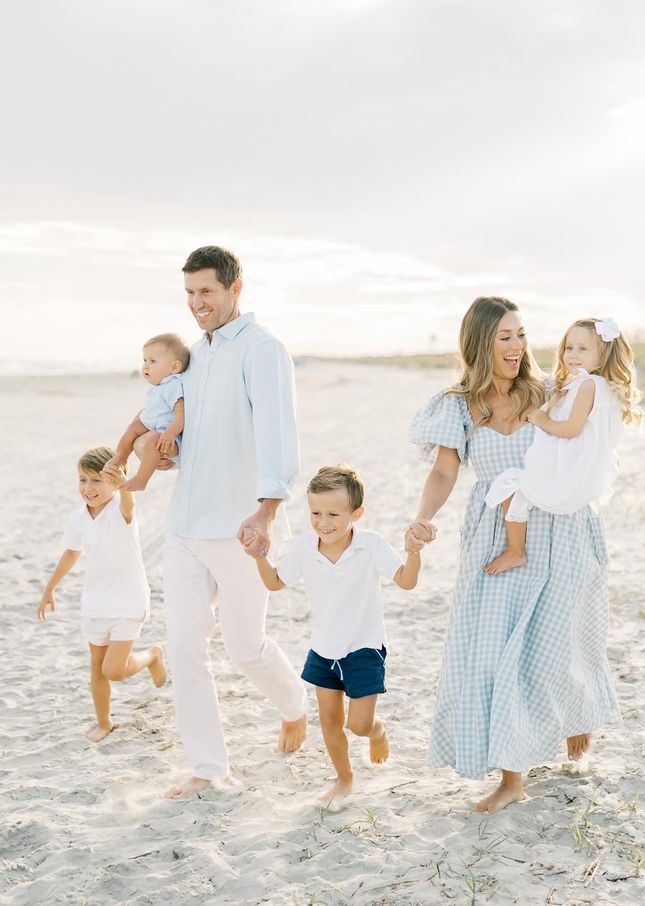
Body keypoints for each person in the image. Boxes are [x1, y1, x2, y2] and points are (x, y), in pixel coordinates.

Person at [405, 297, 620, 814]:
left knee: (560, 643)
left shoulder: (552, 390)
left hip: (560, 528)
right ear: (481, 342)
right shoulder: (456, 404)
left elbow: (593, 439)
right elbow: (443, 472)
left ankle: (576, 720)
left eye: (522, 334)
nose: (519, 346)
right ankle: (511, 778)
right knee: (495, 652)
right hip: (495, 534)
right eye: (506, 336)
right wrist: (424, 517)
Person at [161, 245, 308, 801]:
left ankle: (294, 705)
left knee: (245, 648)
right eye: (190, 294)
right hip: (185, 525)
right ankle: (207, 767)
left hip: (241, 526)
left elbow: (278, 433)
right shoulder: (194, 356)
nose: (197, 304)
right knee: (183, 646)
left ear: (234, 287)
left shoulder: (264, 350)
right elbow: (194, 434)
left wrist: (267, 509)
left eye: (207, 292)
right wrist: (169, 450)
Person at [243, 465, 421, 806]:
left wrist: (413, 553)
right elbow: (275, 583)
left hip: (364, 648)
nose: (323, 522)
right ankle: (344, 778)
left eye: (334, 514)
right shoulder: (305, 546)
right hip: (323, 649)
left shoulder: (371, 545)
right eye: (315, 512)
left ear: (357, 513)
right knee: (329, 721)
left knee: (359, 724)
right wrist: (260, 558)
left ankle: (378, 729)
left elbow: (406, 581)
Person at [484, 317, 642, 575]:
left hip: (571, 470)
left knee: (510, 485)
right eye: (569, 348)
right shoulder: (599, 386)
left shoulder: (588, 385)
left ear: (602, 356)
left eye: (583, 349)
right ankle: (517, 548)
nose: (573, 355)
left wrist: (542, 420)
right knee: (517, 488)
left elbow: (571, 429)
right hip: (583, 469)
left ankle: (516, 551)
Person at [36, 446, 166, 742]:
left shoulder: (122, 508)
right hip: (95, 602)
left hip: (129, 600)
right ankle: (104, 722)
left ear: (115, 482)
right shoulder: (78, 517)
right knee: (97, 667)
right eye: (83, 480)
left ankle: (152, 655)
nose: (88, 488)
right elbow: (71, 552)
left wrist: (123, 480)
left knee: (115, 670)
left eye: (97, 481)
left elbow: (129, 500)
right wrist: (50, 588)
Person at [104, 333, 189, 492]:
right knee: (133, 427)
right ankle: (121, 457)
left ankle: (141, 479)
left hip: (168, 435)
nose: (146, 366)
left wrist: (170, 433)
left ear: (174, 367)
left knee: (153, 442)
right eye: (145, 360)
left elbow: (181, 414)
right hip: (154, 424)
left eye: (153, 361)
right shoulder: (159, 386)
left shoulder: (173, 385)